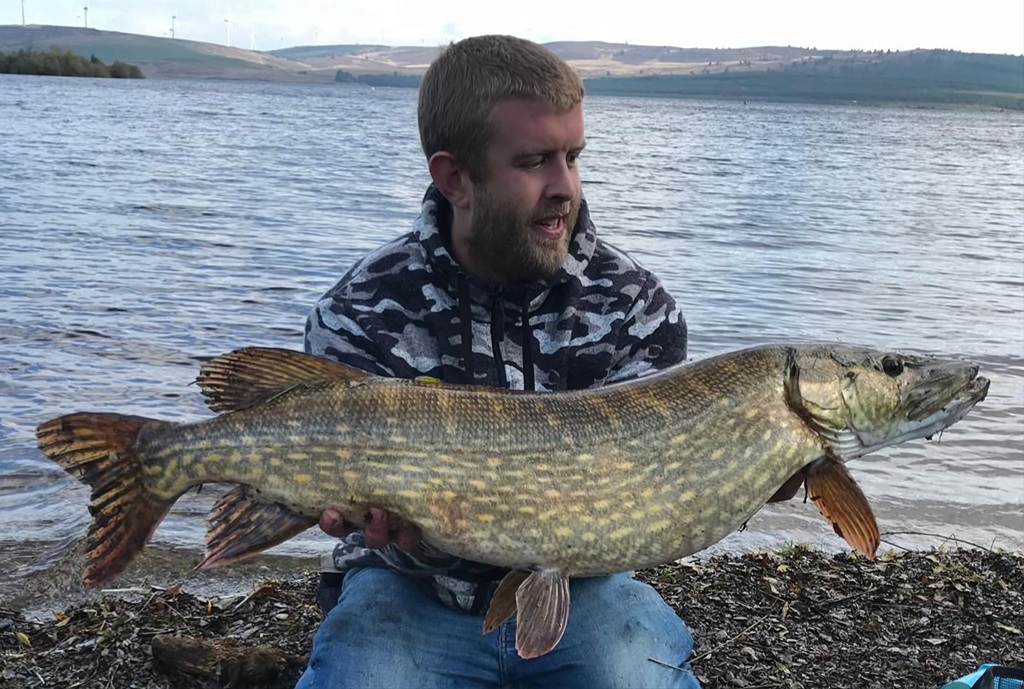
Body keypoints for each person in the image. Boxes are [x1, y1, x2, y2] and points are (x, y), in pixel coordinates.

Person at [295, 33, 703, 689]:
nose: (564, 187)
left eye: (573, 156)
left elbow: (656, 496)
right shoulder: (361, 310)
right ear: (454, 177)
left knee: (635, 673)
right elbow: (329, 498)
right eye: (537, 161)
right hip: (410, 588)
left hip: (582, 589)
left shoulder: (638, 309)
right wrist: (378, 516)